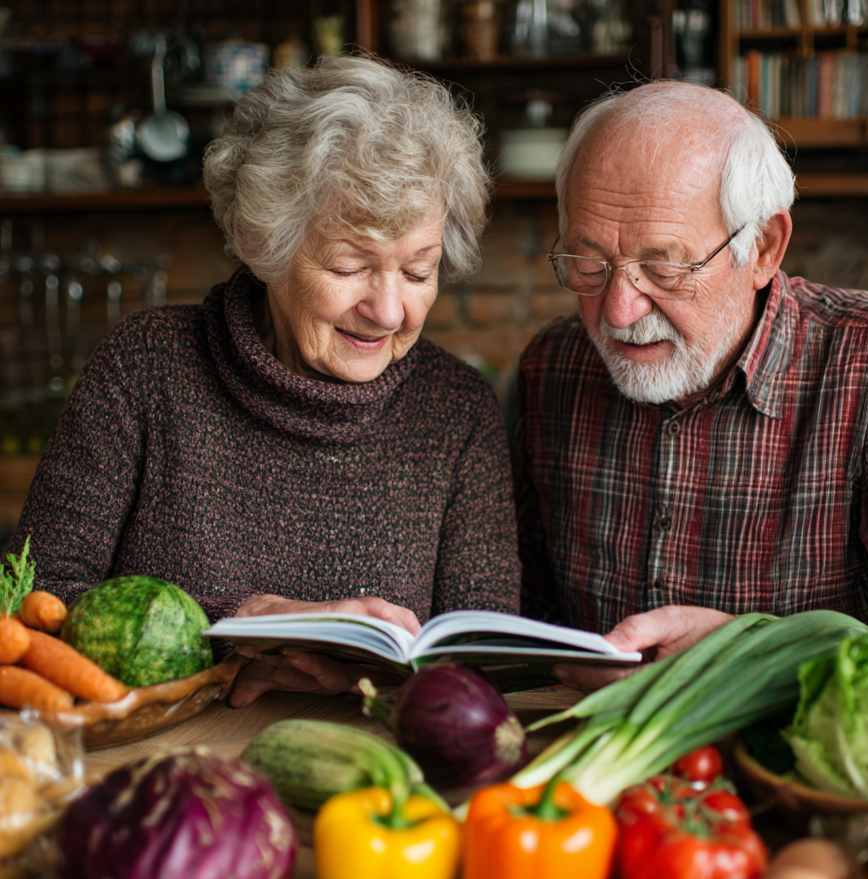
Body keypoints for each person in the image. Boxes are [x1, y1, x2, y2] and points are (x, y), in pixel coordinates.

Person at [9, 57, 520, 707]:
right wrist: (236, 624)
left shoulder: (458, 410)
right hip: (160, 760)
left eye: (419, 272)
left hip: (369, 768)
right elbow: (33, 603)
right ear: (264, 242)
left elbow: (485, 655)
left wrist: (377, 678)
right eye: (349, 265)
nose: (390, 311)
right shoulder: (145, 366)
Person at [513, 81, 868, 692]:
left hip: (798, 762)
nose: (617, 311)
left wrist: (757, 652)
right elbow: (522, 617)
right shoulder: (554, 366)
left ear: (764, 248)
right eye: (588, 264)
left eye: (666, 267)